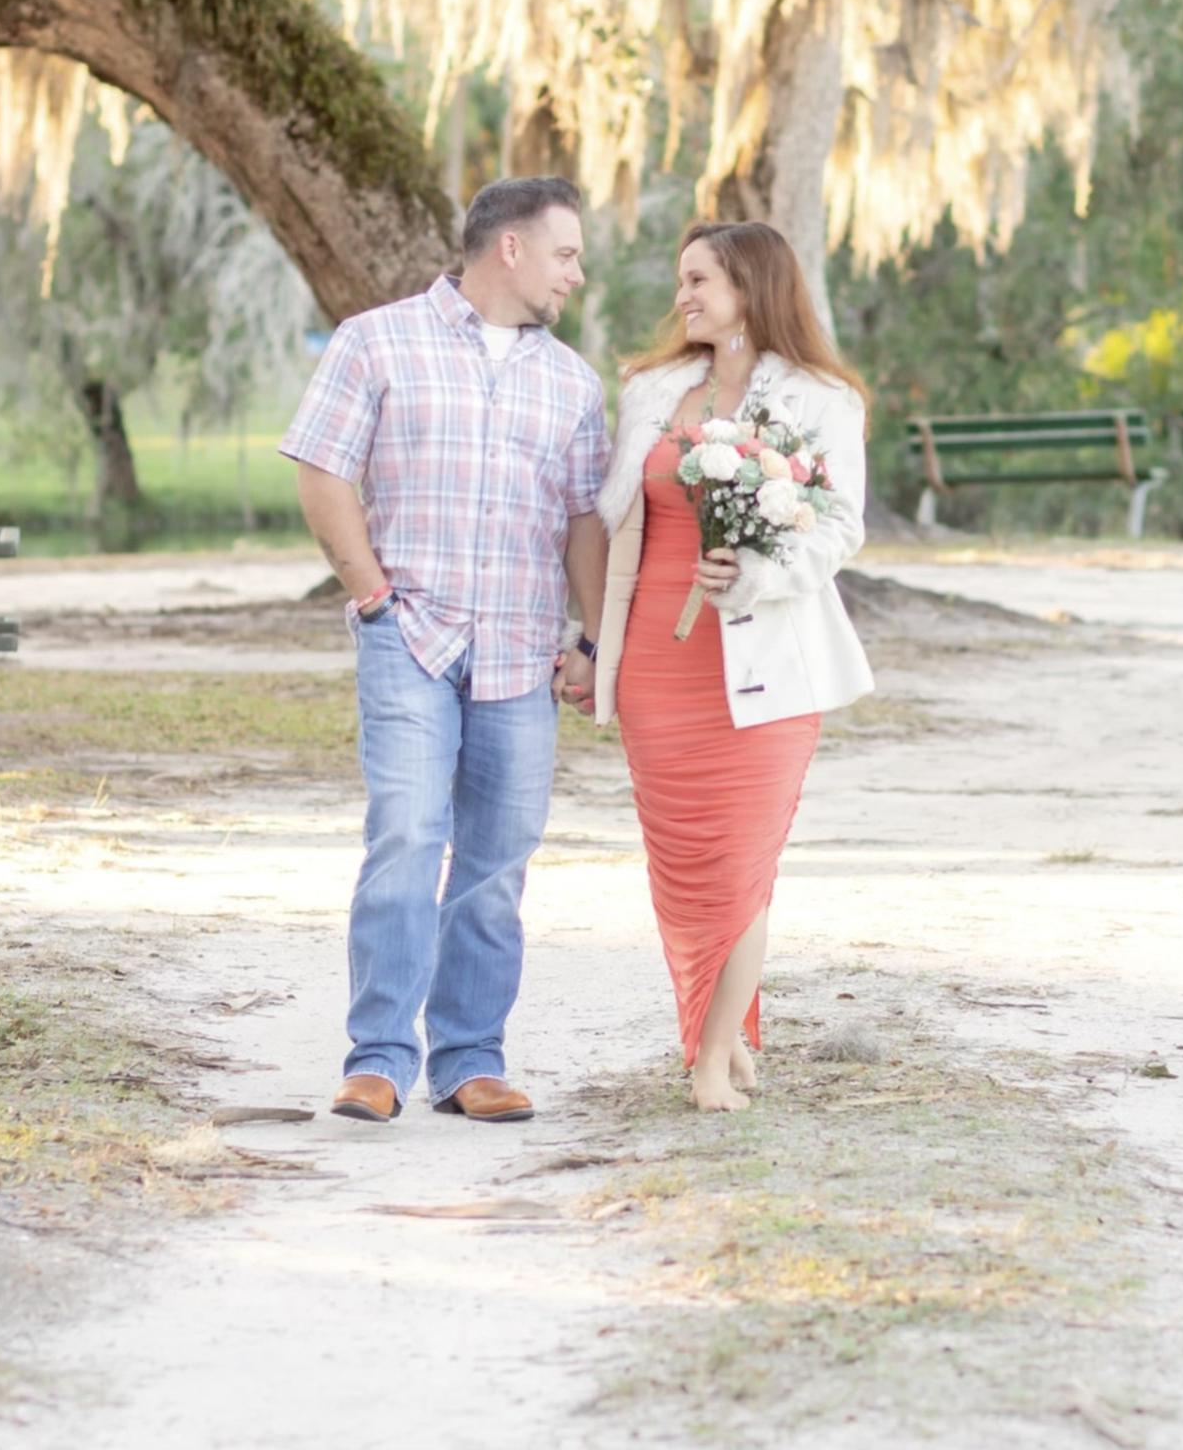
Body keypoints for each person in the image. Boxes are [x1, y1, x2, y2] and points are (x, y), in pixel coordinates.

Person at [280, 177, 608, 1124]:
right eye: (566, 254)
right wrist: (371, 594)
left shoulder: (572, 382)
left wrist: (590, 639)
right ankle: (377, 1056)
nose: (575, 274)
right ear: (510, 249)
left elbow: (584, 521)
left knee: (498, 860)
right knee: (408, 839)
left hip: (519, 650)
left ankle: (470, 1060)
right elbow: (323, 467)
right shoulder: (376, 341)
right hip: (410, 638)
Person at [592, 222, 873, 1112]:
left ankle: (713, 1060)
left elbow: (839, 527)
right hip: (656, 662)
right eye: (682, 279)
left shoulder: (823, 398)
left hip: (767, 660)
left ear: (751, 287)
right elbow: (616, 520)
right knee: (679, 867)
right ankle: (716, 1038)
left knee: (740, 862)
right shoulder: (649, 391)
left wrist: (756, 570)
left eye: (700, 279)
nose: (683, 296)